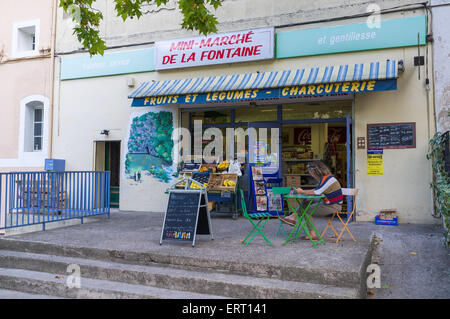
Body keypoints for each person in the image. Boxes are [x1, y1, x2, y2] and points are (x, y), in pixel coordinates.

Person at [280, 161, 343, 240]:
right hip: (327, 201)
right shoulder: (326, 178)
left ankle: (311, 233)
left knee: (307, 211)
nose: (311, 175)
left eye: (311, 172)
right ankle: (293, 216)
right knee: (307, 200)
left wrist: (301, 191)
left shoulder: (328, 180)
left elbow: (316, 192)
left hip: (334, 205)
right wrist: (304, 192)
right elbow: (317, 190)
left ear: (316, 171)